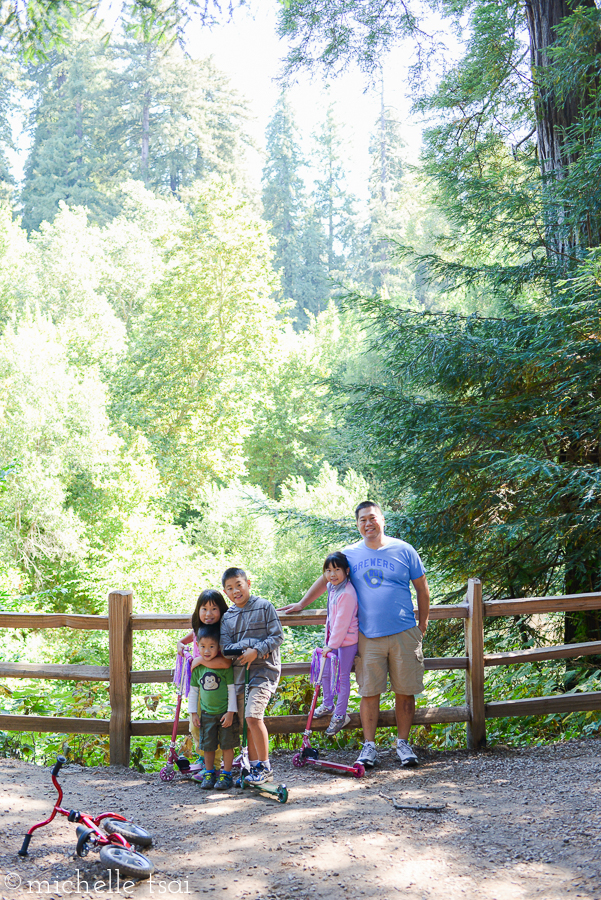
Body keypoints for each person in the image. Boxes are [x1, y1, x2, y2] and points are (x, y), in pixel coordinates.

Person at [280, 501, 430, 770]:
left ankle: (403, 744)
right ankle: (369, 746)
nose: (368, 523)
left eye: (372, 518)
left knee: (405, 692)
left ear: (382, 519)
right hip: (368, 636)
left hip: (405, 633)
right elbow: (327, 578)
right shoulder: (350, 554)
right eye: (362, 520)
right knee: (369, 692)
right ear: (357, 524)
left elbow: (422, 588)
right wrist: (302, 604)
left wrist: (423, 624)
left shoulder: (404, 550)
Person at [219, 567, 284, 785]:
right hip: (240, 675)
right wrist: (247, 647)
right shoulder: (227, 617)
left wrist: (256, 651)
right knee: (245, 722)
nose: (236, 590)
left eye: (239, 584)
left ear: (248, 583)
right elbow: (226, 648)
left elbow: (277, 636)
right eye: (230, 588)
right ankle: (254, 767)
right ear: (225, 592)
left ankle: (265, 767)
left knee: (253, 716)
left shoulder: (264, 606)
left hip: (264, 671)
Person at [177, 589, 229, 770]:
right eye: (204, 609)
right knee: (196, 722)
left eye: (214, 609)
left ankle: (214, 765)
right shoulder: (199, 630)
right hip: (198, 686)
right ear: (197, 611)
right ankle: (204, 758)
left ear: (222, 610)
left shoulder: (224, 632)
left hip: (217, 689)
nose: (208, 614)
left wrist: (199, 660)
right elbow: (189, 637)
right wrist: (180, 644)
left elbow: (226, 662)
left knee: (213, 725)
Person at [312, 551, 359, 736]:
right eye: (328, 570)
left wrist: (332, 645)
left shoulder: (347, 592)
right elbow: (331, 619)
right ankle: (327, 703)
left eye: (337, 569)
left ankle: (340, 715)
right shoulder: (333, 588)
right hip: (333, 642)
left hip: (346, 643)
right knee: (325, 671)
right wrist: (329, 643)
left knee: (342, 678)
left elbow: (342, 622)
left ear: (346, 571)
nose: (332, 574)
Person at [188, 623, 239, 790]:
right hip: (207, 714)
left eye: (211, 646)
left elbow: (232, 690)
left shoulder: (224, 667)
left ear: (218, 647)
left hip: (225, 713)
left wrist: (231, 712)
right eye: (203, 647)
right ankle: (209, 773)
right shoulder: (198, 668)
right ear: (197, 646)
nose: (207, 651)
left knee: (227, 745)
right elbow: (193, 692)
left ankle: (226, 774)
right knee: (208, 746)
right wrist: (194, 713)